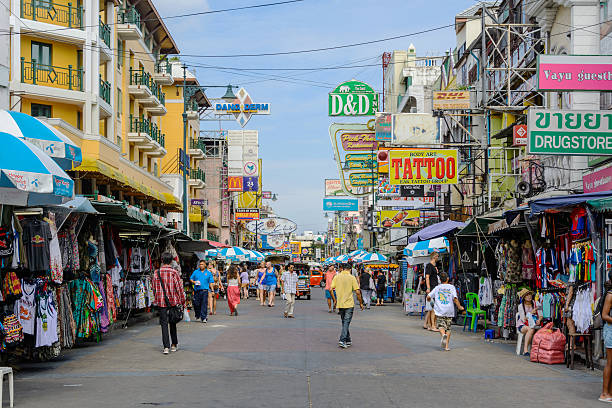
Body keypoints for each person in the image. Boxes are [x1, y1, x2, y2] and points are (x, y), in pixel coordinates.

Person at [152, 252, 186, 355]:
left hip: (161, 302)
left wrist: (157, 298)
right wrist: (182, 300)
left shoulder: (156, 272)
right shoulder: (174, 272)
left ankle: (166, 347)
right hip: (173, 301)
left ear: (162, 260)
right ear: (171, 261)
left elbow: (153, 288)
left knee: (163, 324)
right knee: (172, 323)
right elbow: (179, 288)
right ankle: (174, 345)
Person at [426, 272, 464, 351]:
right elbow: (455, 299)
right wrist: (459, 306)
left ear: (439, 279)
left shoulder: (437, 288)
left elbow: (428, 296)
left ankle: (443, 335)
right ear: (447, 279)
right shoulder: (452, 287)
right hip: (449, 310)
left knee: (441, 326)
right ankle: (446, 346)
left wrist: (429, 300)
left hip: (440, 310)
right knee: (448, 328)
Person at [331, 263, 364, 348]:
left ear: (342, 268)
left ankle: (348, 340)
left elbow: (331, 289)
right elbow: (357, 292)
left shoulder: (337, 277)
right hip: (349, 303)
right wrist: (361, 303)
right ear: (350, 270)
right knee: (346, 322)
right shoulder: (352, 278)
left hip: (340, 303)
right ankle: (342, 340)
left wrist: (334, 300)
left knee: (344, 322)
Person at [515, 288, 542, 356]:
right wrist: (530, 313)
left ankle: (538, 351)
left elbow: (541, 315)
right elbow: (524, 319)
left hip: (535, 324)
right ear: (524, 297)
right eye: (527, 295)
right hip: (523, 325)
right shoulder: (520, 306)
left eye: (530, 294)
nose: (529, 296)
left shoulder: (536, 303)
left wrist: (539, 320)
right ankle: (525, 350)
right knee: (530, 329)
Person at [599, 279, 612, 402]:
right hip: (611, 332)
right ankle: (604, 393)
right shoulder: (610, 295)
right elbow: (604, 315)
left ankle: (610, 393)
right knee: (610, 363)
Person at [424, 252, 440, 331]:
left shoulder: (434, 266)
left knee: (431, 308)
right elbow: (427, 277)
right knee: (433, 308)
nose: (438, 258)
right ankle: (432, 326)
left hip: (435, 288)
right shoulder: (429, 266)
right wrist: (428, 288)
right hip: (432, 289)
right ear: (434, 257)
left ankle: (429, 325)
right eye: (437, 256)